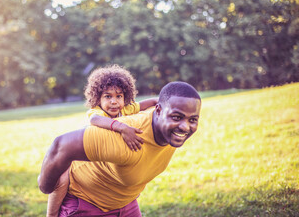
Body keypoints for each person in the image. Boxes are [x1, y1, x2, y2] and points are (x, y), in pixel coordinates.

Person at [39, 81, 201, 217]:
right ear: (159, 112)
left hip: (125, 202)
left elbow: (149, 103)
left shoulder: (159, 123)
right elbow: (61, 146)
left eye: (193, 120)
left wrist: (163, 101)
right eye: (177, 117)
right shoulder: (125, 137)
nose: (185, 127)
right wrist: (44, 185)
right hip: (88, 203)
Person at [46, 65, 158, 217]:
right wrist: (122, 128)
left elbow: (147, 103)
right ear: (97, 98)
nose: (114, 101)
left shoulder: (125, 109)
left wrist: (162, 101)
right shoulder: (97, 112)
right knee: (62, 179)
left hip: (114, 178)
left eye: (119, 96)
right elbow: (95, 120)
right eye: (108, 96)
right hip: (86, 166)